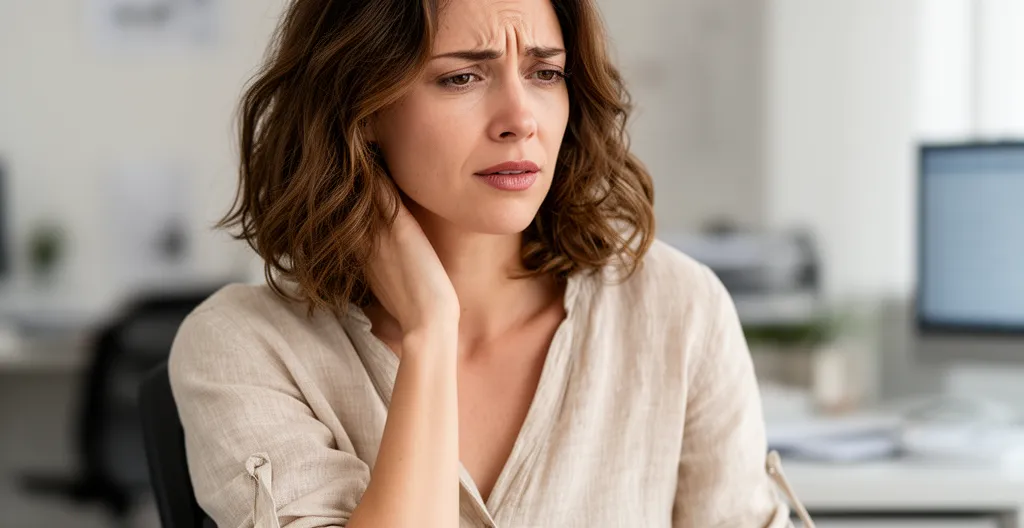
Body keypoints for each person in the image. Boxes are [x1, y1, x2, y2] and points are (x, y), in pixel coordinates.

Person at [168, 0, 812, 526]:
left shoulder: (678, 308)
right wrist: (429, 329)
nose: (519, 119)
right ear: (360, 108)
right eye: (461, 77)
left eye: (545, 73)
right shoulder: (240, 345)